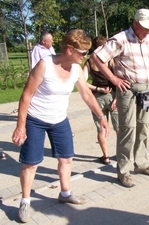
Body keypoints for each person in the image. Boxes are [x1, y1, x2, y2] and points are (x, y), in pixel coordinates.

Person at [12, 29, 110, 223]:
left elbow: (87, 95)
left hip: (59, 120)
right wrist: (20, 126)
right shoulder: (45, 65)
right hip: (36, 120)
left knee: (66, 158)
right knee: (31, 163)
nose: (85, 56)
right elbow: (26, 96)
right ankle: (25, 202)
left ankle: (65, 193)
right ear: (69, 49)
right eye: (82, 52)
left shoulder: (75, 69)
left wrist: (101, 116)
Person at [89, 8, 149, 188]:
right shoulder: (121, 38)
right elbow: (96, 57)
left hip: (146, 90)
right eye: (145, 27)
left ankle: (141, 163)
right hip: (127, 90)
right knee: (128, 129)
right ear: (136, 23)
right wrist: (113, 78)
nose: (148, 31)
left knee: (144, 127)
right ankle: (124, 171)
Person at [83, 36, 119, 164]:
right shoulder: (110, 61)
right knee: (118, 128)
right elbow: (118, 79)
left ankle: (106, 156)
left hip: (97, 98)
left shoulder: (89, 62)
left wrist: (97, 87)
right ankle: (121, 154)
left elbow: (82, 81)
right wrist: (116, 99)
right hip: (113, 95)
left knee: (101, 129)